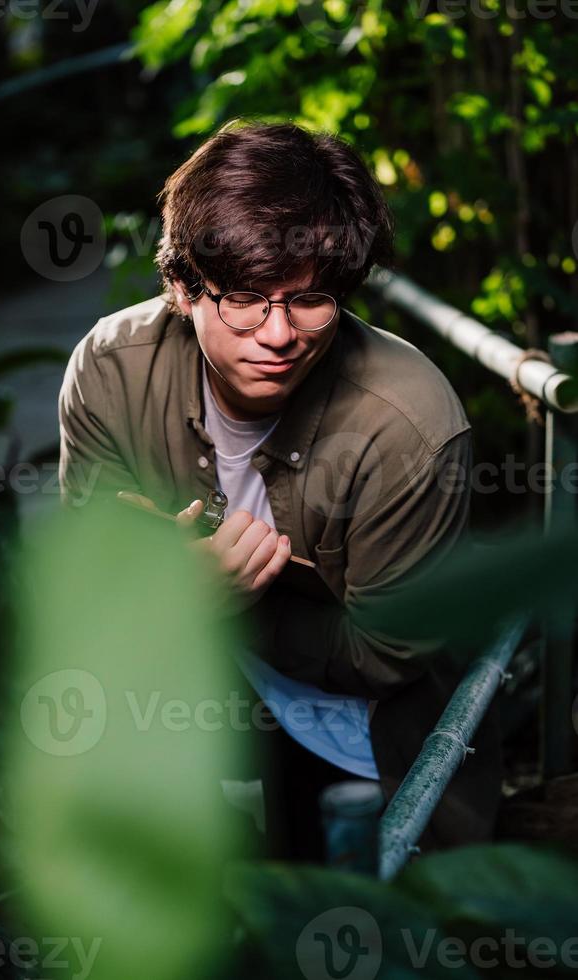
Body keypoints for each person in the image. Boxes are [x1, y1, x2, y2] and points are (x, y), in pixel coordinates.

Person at [57, 118, 503, 860]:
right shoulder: (110, 368)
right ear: (181, 286)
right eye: (243, 296)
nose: (277, 334)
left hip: (364, 737)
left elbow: (388, 653)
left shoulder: (411, 425)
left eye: (308, 300)